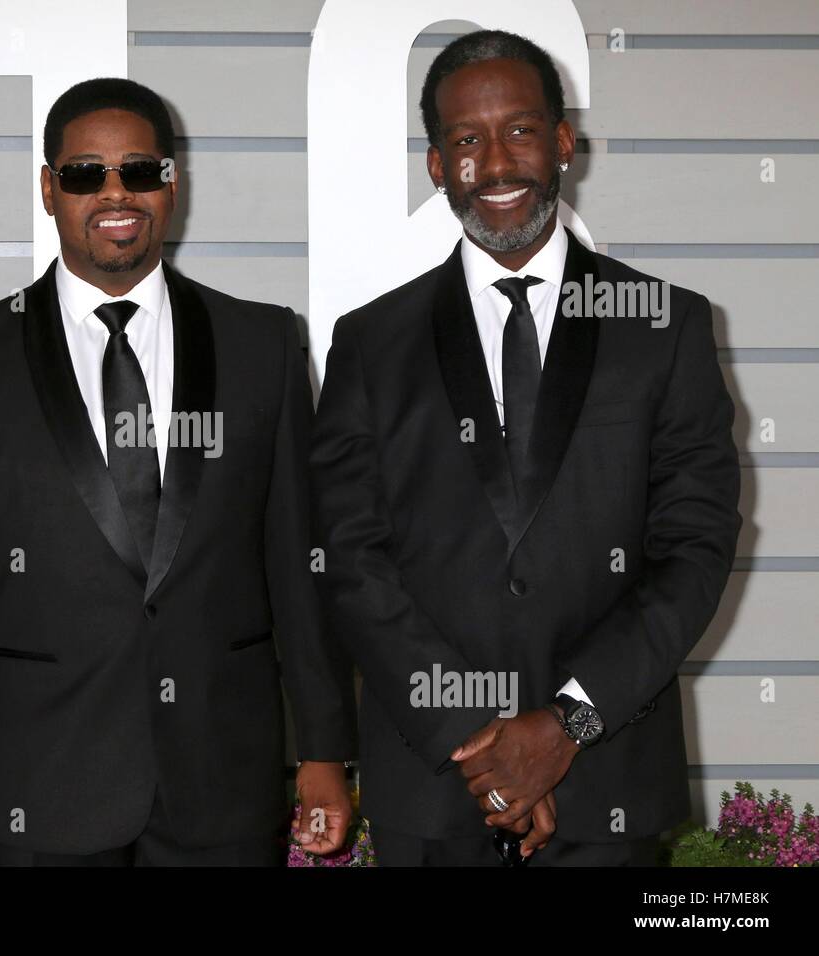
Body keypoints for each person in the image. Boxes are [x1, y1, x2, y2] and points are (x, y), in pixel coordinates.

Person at [0, 77, 357, 866]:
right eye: (85, 174)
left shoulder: (264, 347)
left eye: (140, 171)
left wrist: (322, 750)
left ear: (171, 186)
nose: (116, 194)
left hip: (221, 790)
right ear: (49, 188)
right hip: (35, 795)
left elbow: (299, 568)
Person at [311, 31, 740, 866]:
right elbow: (350, 560)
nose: (496, 162)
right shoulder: (370, 343)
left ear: (565, 142)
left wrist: (566, 725)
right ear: (437, 165)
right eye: (466, 140)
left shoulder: (664, 326)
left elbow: (693, 549)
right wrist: (482, 744)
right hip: (436, 786)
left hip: (607, 776)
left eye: (521, 130)